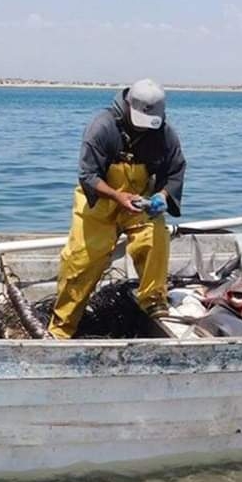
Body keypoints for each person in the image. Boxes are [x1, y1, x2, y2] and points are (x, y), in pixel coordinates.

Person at [47, 79, 186, 339]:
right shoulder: (102, 127)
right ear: (128, 106)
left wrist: (162, 197)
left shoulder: (165, 133)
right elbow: (87, 175)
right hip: (98, 201)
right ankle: (62, 326)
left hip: (140, 201)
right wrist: (116, 196)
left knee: (155, 239)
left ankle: (153, 300)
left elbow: (175, 170)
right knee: (81, 261)